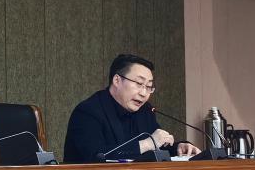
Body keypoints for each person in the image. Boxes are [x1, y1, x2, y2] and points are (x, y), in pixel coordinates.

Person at [64, 54, 200, 163]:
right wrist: (147, 144)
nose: (144, 93)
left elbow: (158, 145)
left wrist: (179, 148)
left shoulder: (145, 110)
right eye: (139, 83)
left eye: (149, 87)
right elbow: (96, 157)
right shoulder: (88, 112)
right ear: (117, 80)